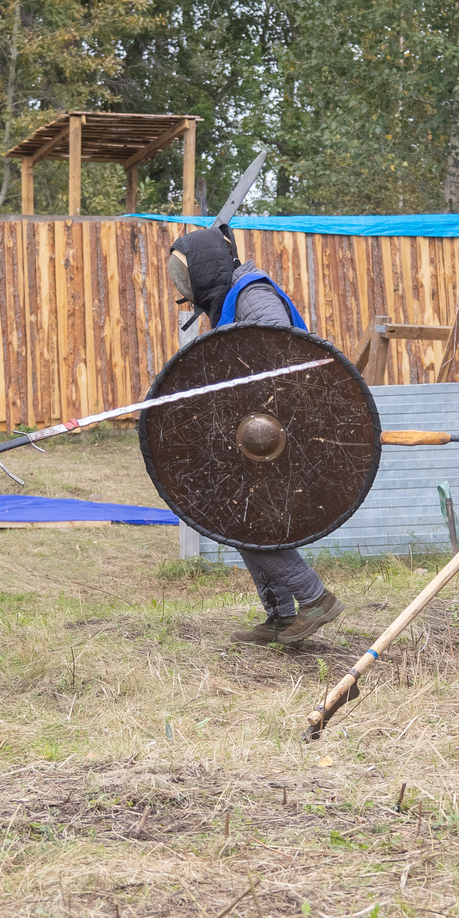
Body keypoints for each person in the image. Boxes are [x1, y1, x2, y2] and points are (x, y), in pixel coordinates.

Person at [163, 224, 341, 645]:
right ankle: (280, 615)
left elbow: (278, 357)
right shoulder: (231, 302)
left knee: (244, 521)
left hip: (284, 432)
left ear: (205, 270)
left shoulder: (252, 295)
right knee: (238, 518)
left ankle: (315, 598)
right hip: (256, 433)